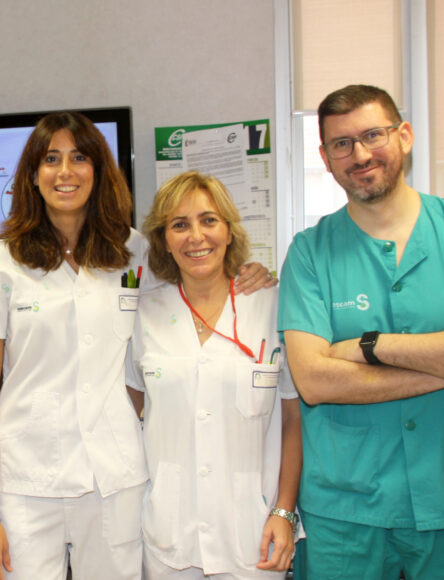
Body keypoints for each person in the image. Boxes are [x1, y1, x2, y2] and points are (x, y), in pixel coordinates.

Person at [0, 112, 276, 580]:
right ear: (32, 174)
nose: (65, 171)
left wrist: (249, 272)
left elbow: (194, 286)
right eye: (51, 159)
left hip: (115, 477)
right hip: (27, 478)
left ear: (98, 170)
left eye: (79, 158)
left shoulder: (133, 253)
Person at [278, 84, 444, 579]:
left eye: (373, 135)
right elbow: (314, 379)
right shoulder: (310, 253)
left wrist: (369, 347)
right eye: (341, 143)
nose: (360, 154)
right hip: (346, 513)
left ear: (405, 135)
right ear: (325, 158)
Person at [130, 171, 301, 579]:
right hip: (169, 532)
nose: (196, 237)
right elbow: (129, 410)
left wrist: (284, 511)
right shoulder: (142, 313)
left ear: (228, 230)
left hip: (253, 533)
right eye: (179, 225)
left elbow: (293, 420)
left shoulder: (272, 304)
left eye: (208, 220)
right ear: (163, 240)